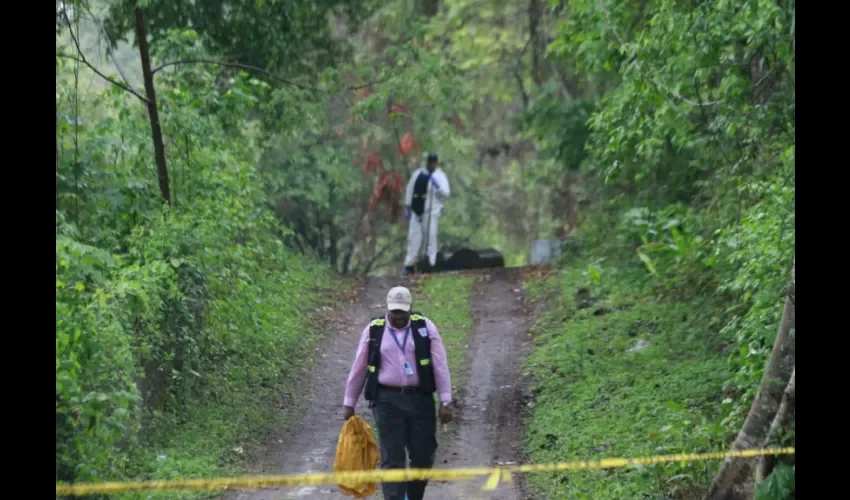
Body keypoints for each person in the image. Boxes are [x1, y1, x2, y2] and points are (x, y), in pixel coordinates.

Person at [342, 286, 453, 500]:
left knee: (423, 456)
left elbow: (440, 366)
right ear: (388, 309)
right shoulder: (375, 330)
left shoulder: (425, 328)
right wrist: (349, 402)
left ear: (410, 308)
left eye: (403, 312)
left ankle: (413, 495)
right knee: (392, 457)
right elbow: (359, 368)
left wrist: (445, 401)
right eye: (395, 312)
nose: (399, 317)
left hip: (420, 400)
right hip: (387, 401)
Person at [402, 152, 450, 275]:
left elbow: (446, 193)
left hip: (431, 212)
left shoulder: (440, 176)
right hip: (416, 210)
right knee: (414, 238)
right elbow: (410, 189)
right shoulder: (418, 173)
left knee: (431, 237)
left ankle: (430, 263)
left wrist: (437, 186)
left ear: (436, 163)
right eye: (429, 162)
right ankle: (410, 265)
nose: (431, 164)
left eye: (433, 162)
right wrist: (407, 206)